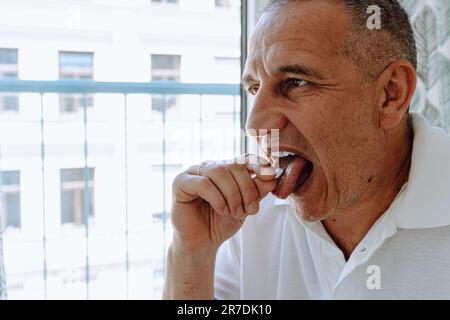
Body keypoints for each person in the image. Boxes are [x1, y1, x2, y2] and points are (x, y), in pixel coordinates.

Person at [164, 0, 450, 299]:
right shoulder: (244, 221)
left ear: (391, 94)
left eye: (297, 82)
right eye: (254, 88)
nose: (255, 123)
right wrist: (191, 252)